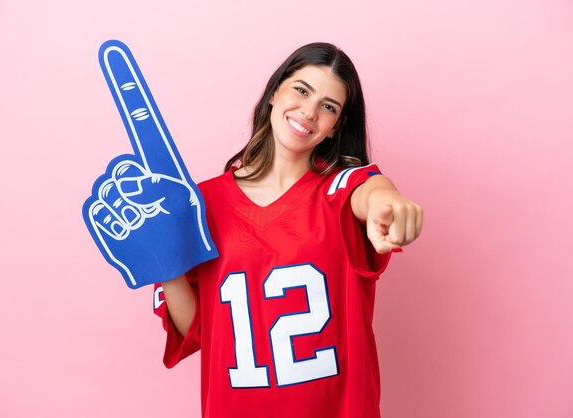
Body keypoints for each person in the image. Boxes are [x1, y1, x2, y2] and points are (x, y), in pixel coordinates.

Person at [153, 42, 423, 418]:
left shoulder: (341, 189)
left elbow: (371, 192)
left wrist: (387, 206)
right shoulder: (202, 204)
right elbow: (200, 331)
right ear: (274, 92)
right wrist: (163, 263)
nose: (309, 112)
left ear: (336, 127)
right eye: (301, 90)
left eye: (328, 107)